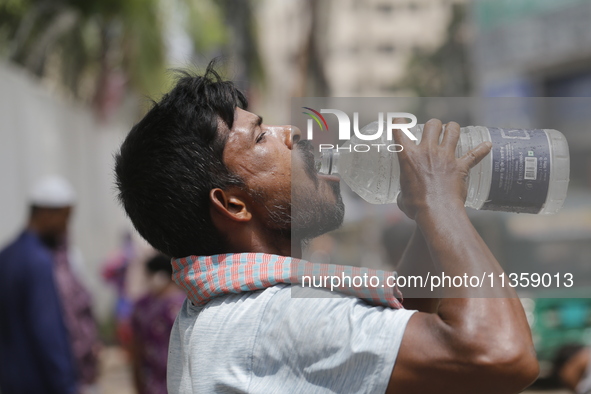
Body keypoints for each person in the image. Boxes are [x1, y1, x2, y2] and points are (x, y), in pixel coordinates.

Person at [114, 62, 539, 393]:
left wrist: (429, 218)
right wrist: (441, 203)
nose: (292, 132)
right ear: (232, 203)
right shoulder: (271, 322)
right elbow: (499, 353)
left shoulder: (222, 315)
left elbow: (400, 325)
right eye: (261, 137)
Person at [0, 176, 78, 394]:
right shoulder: (38, 261)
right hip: (40, 383)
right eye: (65, 217)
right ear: (47, 214)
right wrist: (65, 385)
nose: (65, 227)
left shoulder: (6, 256)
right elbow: (47, 332)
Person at [130, 253, 185, 394]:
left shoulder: (142, 306)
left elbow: (136, 348)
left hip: (157, 380)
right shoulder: (185, 303)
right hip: (174, 379)